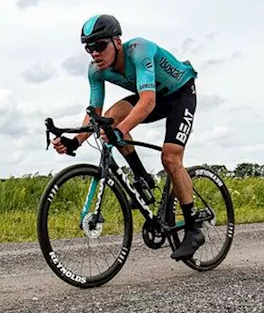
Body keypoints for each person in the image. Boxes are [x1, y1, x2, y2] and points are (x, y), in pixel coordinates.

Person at [51, 14, 203, 261]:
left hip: (179, 94)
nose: (94, 53)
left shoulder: (139, 51)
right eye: (89, 48)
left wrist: (121, 131)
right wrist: (75, 141)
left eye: (100, 46)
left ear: (117, 42)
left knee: (171, 158)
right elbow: (95, 114)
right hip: (153, 97)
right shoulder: (95, 72)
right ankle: (143, 178)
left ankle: (193, 228)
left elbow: (148, 101)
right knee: (109, 119)